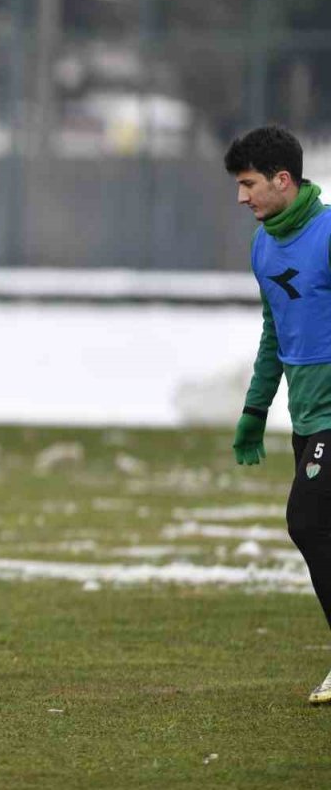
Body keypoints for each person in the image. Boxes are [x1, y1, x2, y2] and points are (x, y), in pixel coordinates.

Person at [227, 124, 331, 705]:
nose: (242, 198)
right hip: (308, 416)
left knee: (308, 522)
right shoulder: (264, 245)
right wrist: (254, 408)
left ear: (282, 180)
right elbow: (275, 332)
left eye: (248, 185)